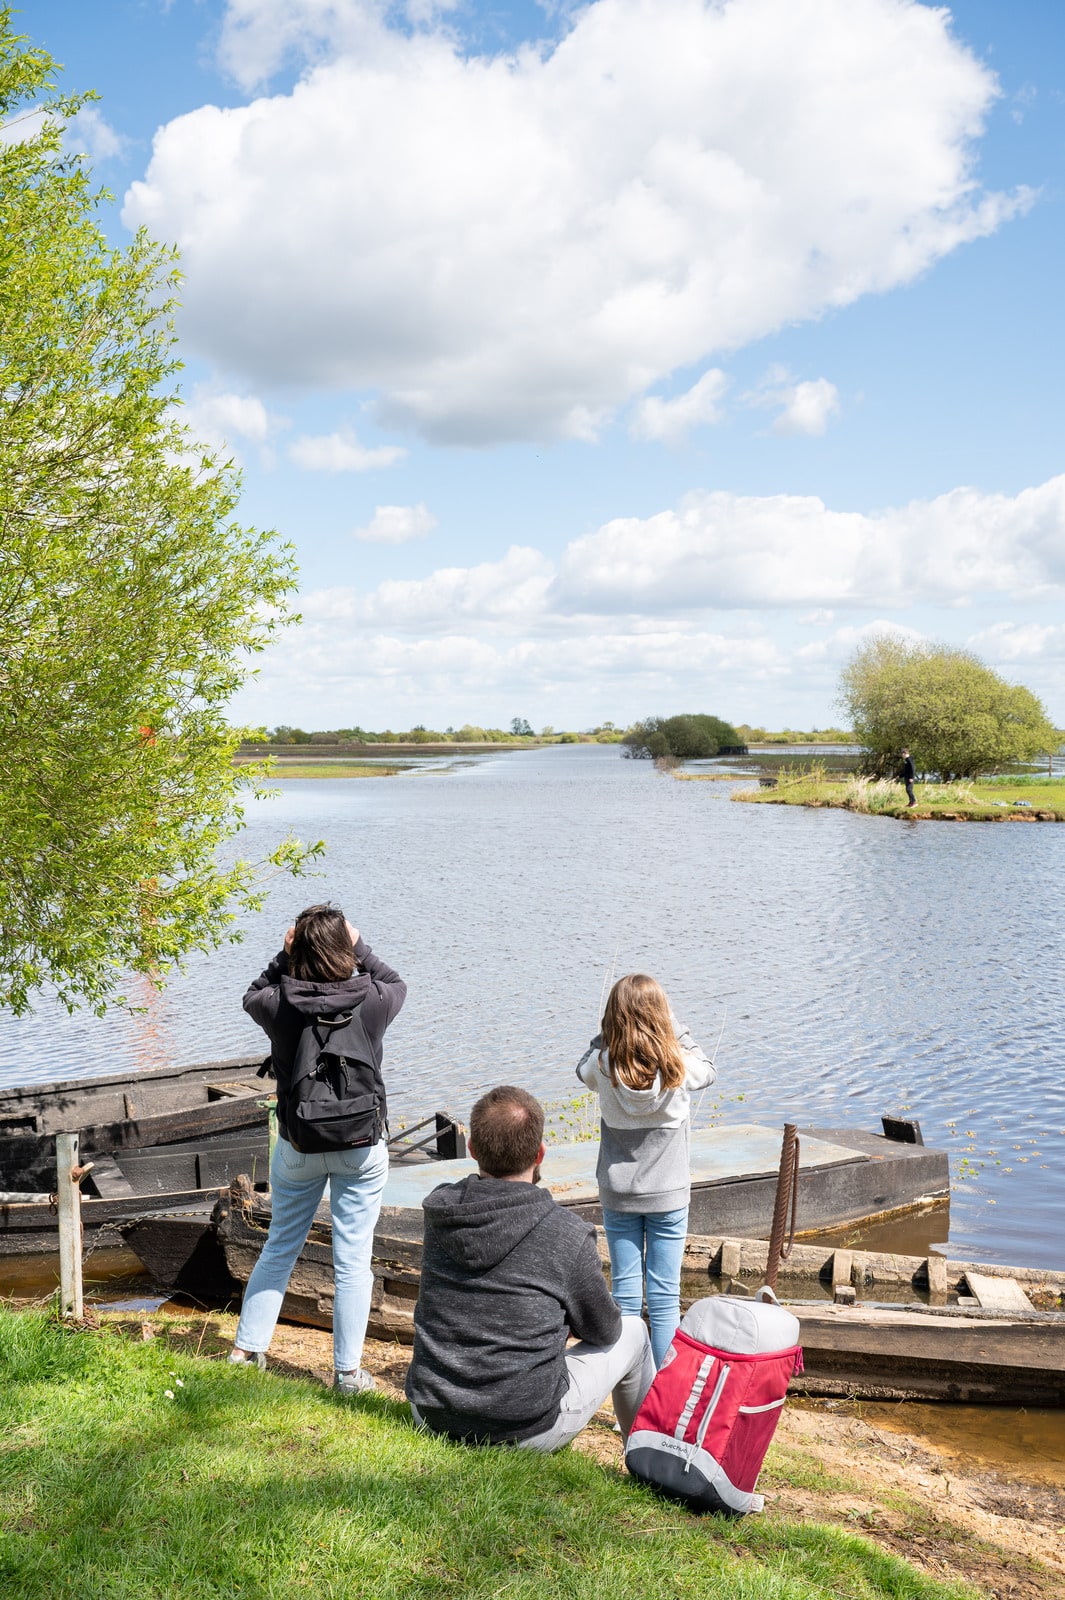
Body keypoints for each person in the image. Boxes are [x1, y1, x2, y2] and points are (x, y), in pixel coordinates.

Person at [405, 1085, 654, 1449]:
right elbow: (604, 1330)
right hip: (525, 1428)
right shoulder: (566, 1232)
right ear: (540, 1154)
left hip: (430, 1414)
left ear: (471, 1149)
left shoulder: (440, 1209)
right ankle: (645, 1452)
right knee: (634, 1331)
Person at [230, 904, 406, 1395]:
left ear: (298, 949)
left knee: (281, 1245)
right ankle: (347, 1375)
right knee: (353, 1260)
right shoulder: (372, 1000)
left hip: (298, 1144)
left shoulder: (280, 1005)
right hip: (360, 1145)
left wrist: (282, 957)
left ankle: (245, 1352)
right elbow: (396, 981)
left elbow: (251, 994)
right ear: (344, 948)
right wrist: (360, 946)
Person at [576, 974, 715, 1367]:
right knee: (665, 1296)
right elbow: (709, 1068)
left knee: (624, 1297)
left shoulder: (603, 1065)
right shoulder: (677, 1068)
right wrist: (675, 1029)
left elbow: (580, 1069)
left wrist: (606, 1034)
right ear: (661, 1018)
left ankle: (630, 1393)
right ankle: (661, 1395)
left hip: (619, 1193)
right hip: (669, 1195)